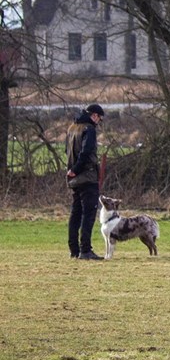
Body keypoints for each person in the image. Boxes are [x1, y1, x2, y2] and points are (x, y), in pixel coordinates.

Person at [65, 104, 106, 260]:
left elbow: (67, 152)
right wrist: (77, 168)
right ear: (94, 115)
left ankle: (74, 250)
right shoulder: (89, 129)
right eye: (99, 119)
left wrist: (72, 170)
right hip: (87, 177)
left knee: (75, 213)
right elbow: (86, 151)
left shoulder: (72, 128)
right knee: (88, 215)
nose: (98, 122)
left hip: (73, 178)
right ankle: (85, 250)